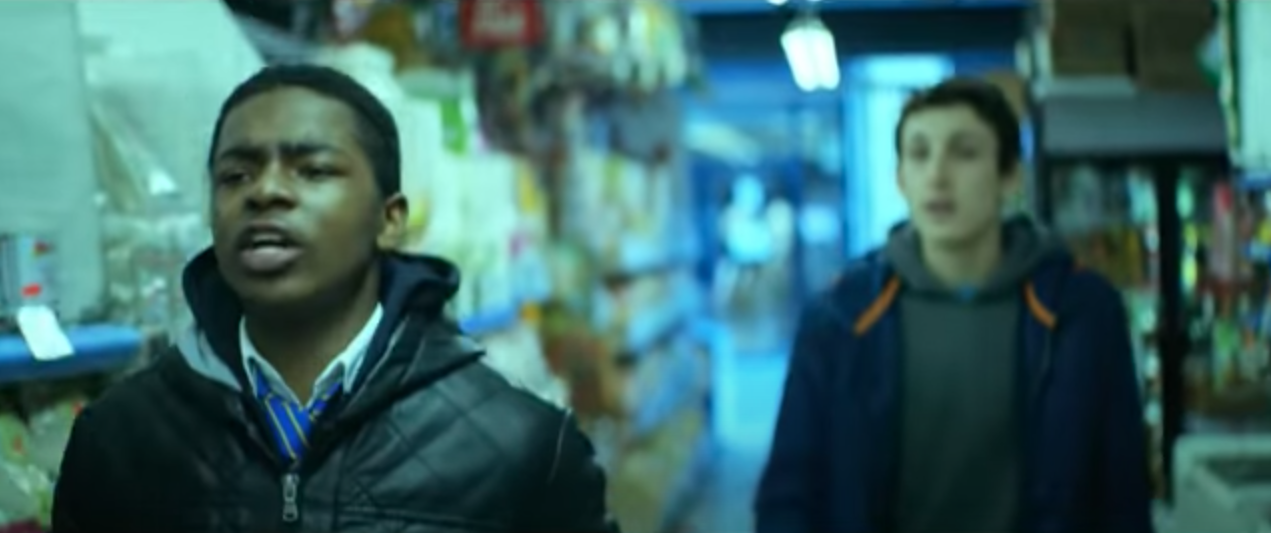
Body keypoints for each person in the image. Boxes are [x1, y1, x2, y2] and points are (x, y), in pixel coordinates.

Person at [51, 65, 617, 533]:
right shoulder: (118, 441)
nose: (266, 191)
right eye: (236, 175)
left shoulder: (522, 449)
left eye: (313, 170)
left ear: (390, 220)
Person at [753, 78, 1153, 533]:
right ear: (901, 179)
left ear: (1009, 175)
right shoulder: (841, 316)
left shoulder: (1080, 312)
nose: (937, 176)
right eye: (919, 154)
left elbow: (1123, 494)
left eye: (964, 153)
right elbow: (789, 493)